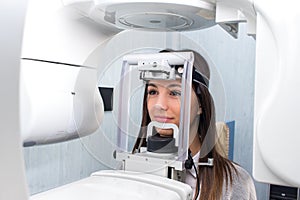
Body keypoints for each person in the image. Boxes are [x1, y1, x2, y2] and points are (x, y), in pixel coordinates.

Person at [132, 49, 257, 200]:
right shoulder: (129, 171)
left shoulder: (234, 183)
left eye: (175, 93)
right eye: (153, 92)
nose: (159, 105)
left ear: (200, 105)